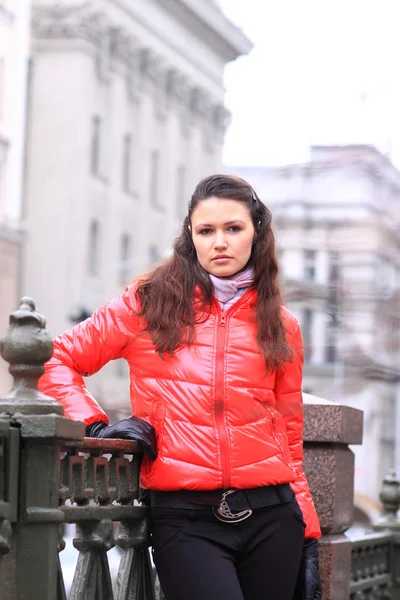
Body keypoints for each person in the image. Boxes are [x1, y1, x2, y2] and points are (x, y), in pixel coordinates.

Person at [39, 174, 322, 600]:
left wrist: (309, 534)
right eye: (206, 231)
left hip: (272, 516)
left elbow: (288, 434)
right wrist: (95, 427)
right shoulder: (147, 304)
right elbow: (52, 357)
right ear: (191, 237)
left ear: (257, 234)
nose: (219, 242)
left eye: (233, 228)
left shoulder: (282, 326)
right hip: (185, 519)